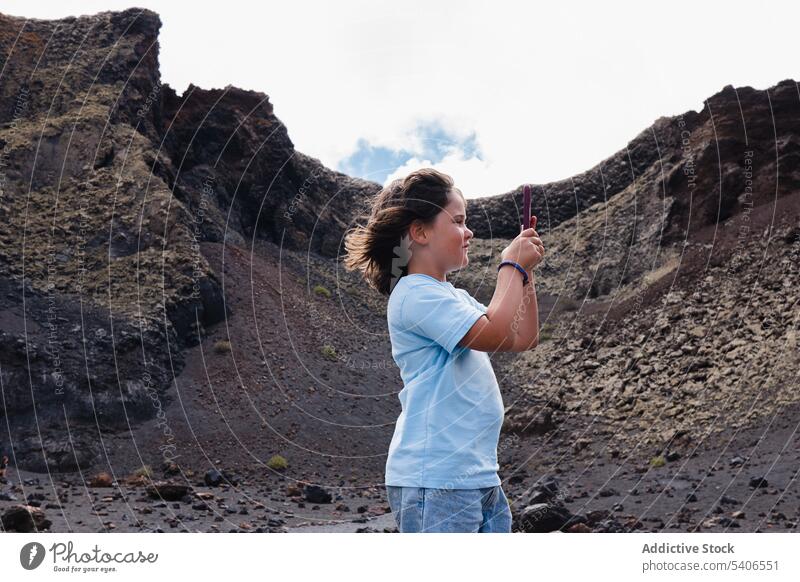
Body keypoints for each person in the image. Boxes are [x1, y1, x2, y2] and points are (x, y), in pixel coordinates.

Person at [343, 168, 544, 532]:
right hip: (435, 480)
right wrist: (510, 265)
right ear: (419, 231)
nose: (469, 232)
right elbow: (497, 333)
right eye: (458, 221)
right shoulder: (413, 294)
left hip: (478, 476)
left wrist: (524, 274)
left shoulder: (454, 297)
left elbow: (521, 337)